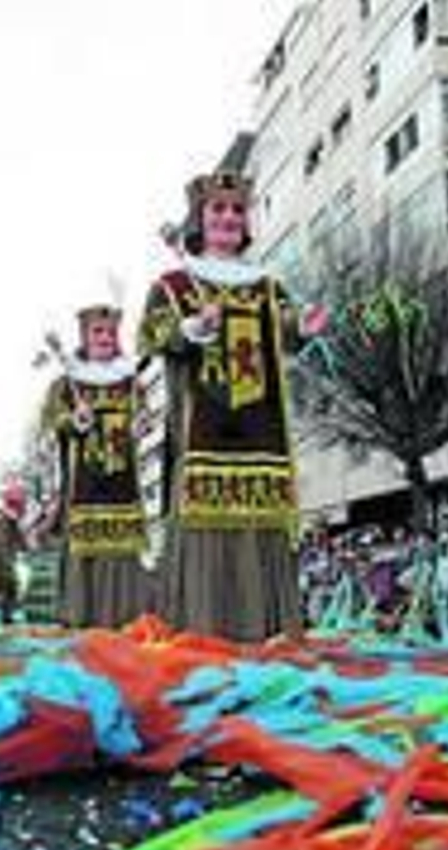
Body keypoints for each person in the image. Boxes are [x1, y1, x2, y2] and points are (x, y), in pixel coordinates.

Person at [139, 169, 327, 642]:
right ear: (199, 218)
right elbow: (151, 335)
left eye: (237, 209)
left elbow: (287, 331)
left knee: (262, 526)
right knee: (205, 528)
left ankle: (265, 628)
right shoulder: (173, 285)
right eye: (218, 208)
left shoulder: (267, 285)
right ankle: (205, 629)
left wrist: (303, 328)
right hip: (201, 430)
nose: (228, 217)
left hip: (262, 434)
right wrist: (192, 328)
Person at [42, 303, 151, 629]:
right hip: (83, 482)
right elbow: (50, 422)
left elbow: (143, 416)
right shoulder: (65, 384)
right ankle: (83, 616)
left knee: (122, 550)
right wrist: (72, 419)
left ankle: (123, 614)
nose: (105, 338)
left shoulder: (131, 381)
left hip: (123, 478)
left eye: (111, 332)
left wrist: (142, 423)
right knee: (85, 549)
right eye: (98, 331)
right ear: (84, 336)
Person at [0, 480, 29, 625]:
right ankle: (2, 615)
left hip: (9, 561)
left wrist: (24, 548)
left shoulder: (13, 524)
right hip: (2, 563)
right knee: (3, 589)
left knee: (10, 591)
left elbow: (21, 542)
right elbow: (2, 546)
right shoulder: (2, 523)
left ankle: (6, 615)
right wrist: (10, 560)